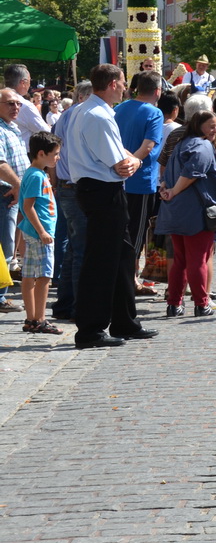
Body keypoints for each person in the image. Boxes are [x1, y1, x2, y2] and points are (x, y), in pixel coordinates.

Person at [65, 64, 153, 349]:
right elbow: (121, 164)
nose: (126, 87)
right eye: (123, 82)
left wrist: (130, 159)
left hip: (101, 189)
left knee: (123, 256)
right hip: (102, 190)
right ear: (113, 83)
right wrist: (137, 160)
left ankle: (124, 320)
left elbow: (119, 153)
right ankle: (90, 330)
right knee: (101, 261)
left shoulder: (87, 109)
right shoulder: (98, 115)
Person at [156, 111, 216, 318]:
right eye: (211, 126)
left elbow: (167, 173)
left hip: (176, 211)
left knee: (180, 260)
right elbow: (192, 173)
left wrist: (167, 189)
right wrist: (173, 191)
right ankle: (201, 304)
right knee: (197, 260)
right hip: (195, 212)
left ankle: (174, 304)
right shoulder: (202, 145)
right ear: (198, 125)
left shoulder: (181, 144)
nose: (215, 130)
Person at [114, 72, 165, 282]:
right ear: (157, 91)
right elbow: (148, 146)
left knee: (121, 229)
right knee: (137, 232)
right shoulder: (154, 113)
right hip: (141, 180)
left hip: (116, 177)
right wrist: (132, 163)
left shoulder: (119, 108)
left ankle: (125, 275)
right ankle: (130, 279)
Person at [49, 81, 92, 322]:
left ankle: (65, 303)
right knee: (81, 249)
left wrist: (55, 181)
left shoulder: (65, 115)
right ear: (85, 96)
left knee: (74, 249)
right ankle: (79, 307)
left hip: (66, 185)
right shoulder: (82, 114)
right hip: (77, 186)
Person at [16, 132, 60, 335]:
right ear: (41, 153)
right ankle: (40, 319)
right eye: (55, 154)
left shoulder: (35, 173)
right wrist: (42, 231)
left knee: (29, 275)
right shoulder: (36, 175)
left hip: (34, 232)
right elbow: (28, 206)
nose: (57, 158)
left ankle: (31, 319)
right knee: (43, 277)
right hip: (40, 234)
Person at [0, 89, 29, 314]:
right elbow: (1, 164)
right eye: (10, 103)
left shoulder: (11, 127)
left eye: (18, 104)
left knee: (7, 246)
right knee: (5, 247)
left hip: (12, 193)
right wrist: (19, 185)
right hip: (6, 193)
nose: (16, 107)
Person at [4, 65, 50, 138]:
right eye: (29, 81)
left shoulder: (3, 99)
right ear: (23, 83)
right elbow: (45, 131)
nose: (29, 85)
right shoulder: (25, 105)